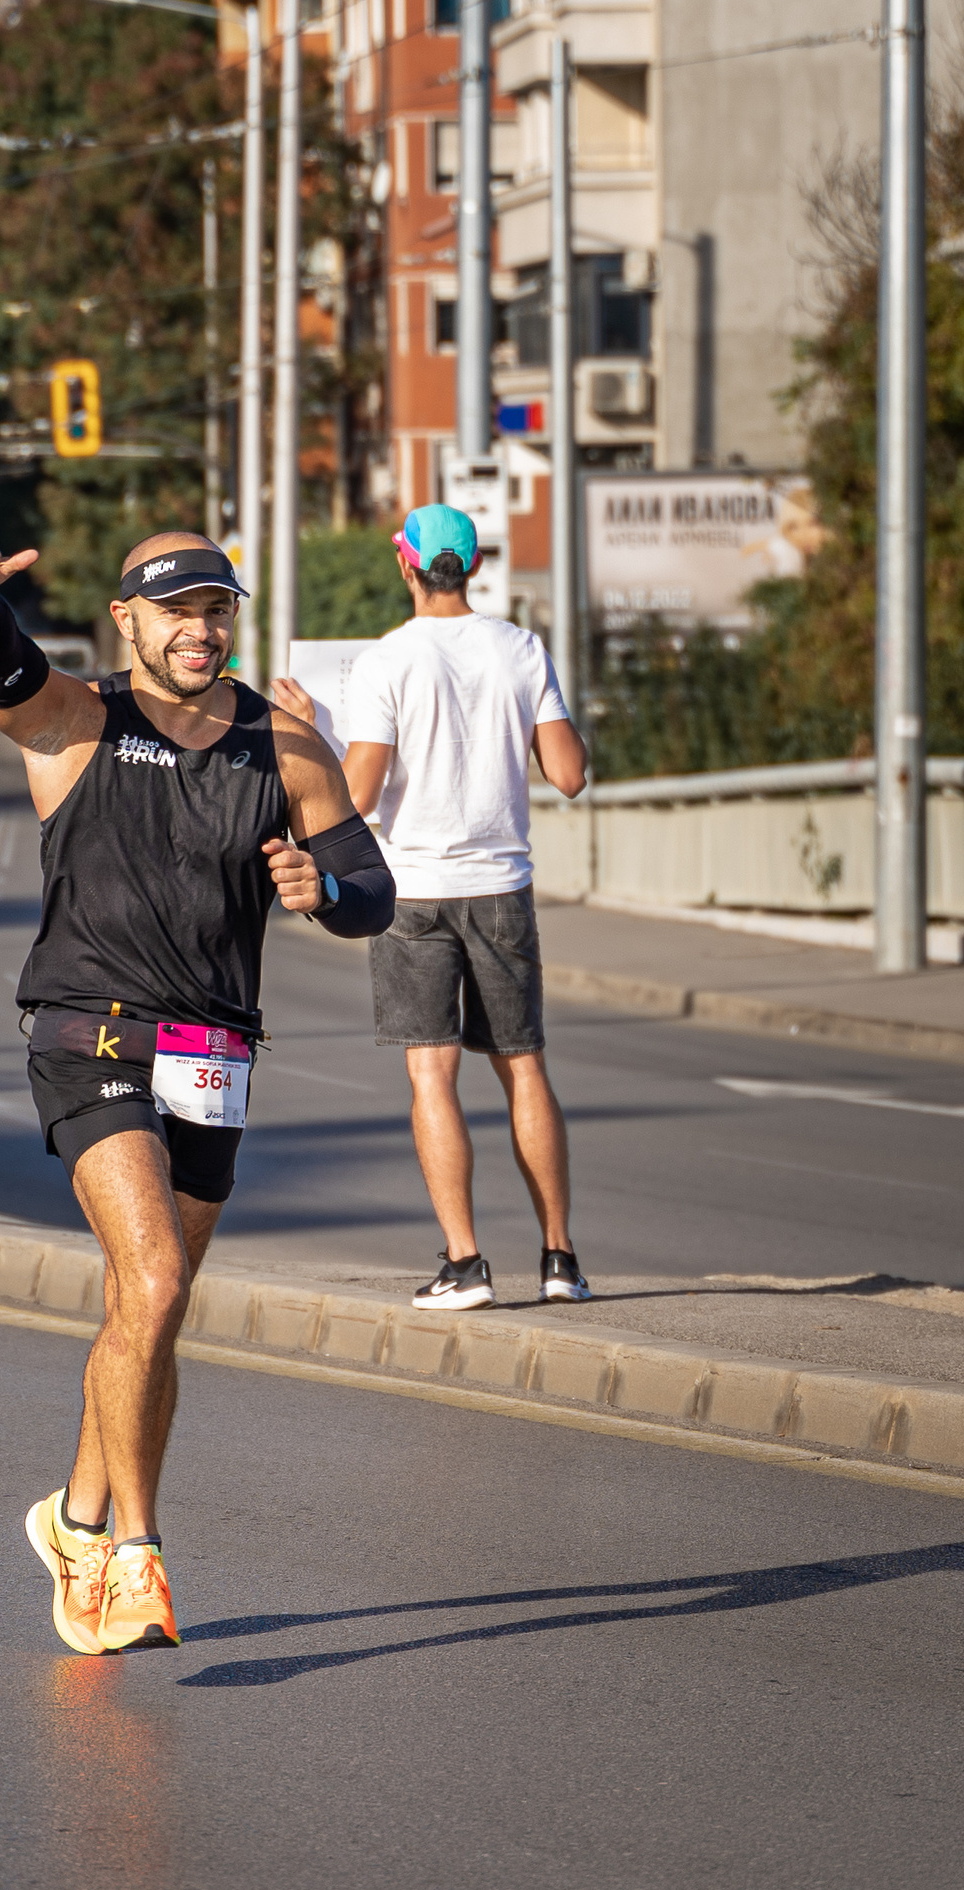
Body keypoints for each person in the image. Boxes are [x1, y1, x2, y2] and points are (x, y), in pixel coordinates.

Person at [0, 518, 395, 1658]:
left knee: (153, 1300)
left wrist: (319, 882)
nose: (200, 628)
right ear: (127, 621)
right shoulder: (77, 722)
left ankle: (74, 1515)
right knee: (148, 1274)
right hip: (85, 1032)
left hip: (214, 1048)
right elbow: (3, 670)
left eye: (216, 608)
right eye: (176, 610)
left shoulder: (283, 747)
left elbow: (372, 889)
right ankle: (134, 1554)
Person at [272, 503, 593, 1312]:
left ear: (405, 565)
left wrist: (314, 733)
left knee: (431, 1073)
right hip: (503, 885)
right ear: (473, 567)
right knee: (524, 1067)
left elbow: (364, 791)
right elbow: (569, 774)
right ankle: (560, 1259)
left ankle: (466, 1263)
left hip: (413, 890)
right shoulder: (522, 647)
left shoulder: (388, 661)